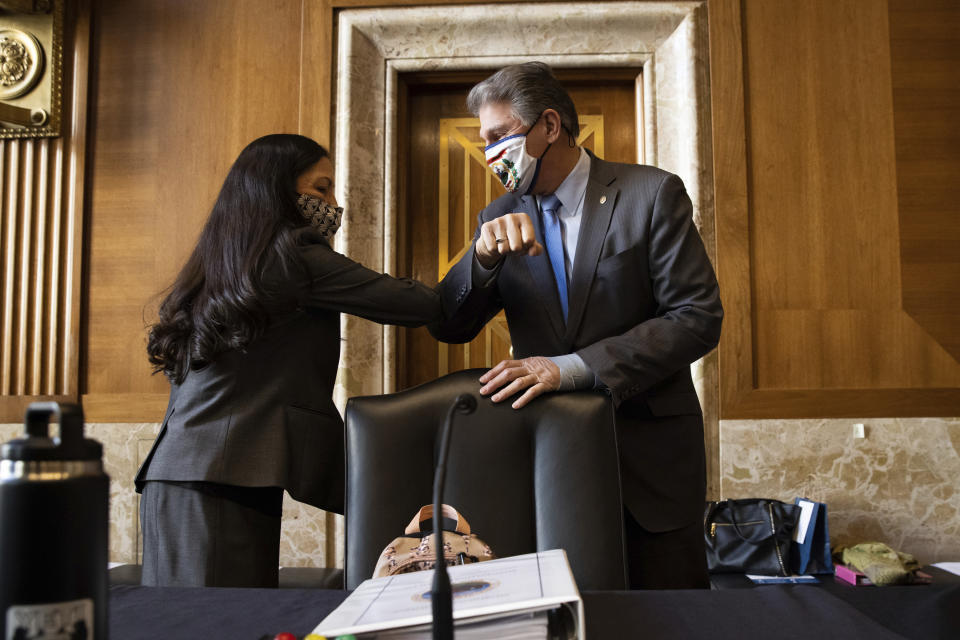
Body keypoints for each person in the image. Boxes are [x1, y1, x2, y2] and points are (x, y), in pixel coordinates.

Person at [429, 63, 723, 589]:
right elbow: (449, 324)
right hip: (549, 458)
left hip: (649, 460)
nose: (489, 152)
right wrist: (481, 258)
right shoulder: (498, 214)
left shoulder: (650, 193)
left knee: (670, 613)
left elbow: (697, 318)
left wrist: (570, 368)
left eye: (499, 136)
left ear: (548, 125)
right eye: (483, 140)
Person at [135, 134, 442, 588]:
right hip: (219, 477)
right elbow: (416, 304)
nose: (334, 205)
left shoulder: (223, 260)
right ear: (277, 190)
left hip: (187, 474)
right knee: (219, 627)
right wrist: (485, 258)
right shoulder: (292, 254)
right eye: (321, 190)